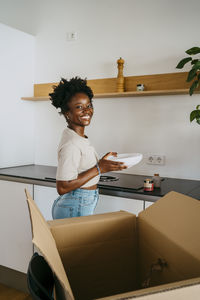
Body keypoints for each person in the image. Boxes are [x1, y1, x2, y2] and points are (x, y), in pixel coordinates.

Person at [50, 77, 127, 219]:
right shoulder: (71, 143)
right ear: (67, 113)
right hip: (75, 204)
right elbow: (62, 187)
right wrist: (99, 168)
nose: (87, 111)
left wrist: (102, 163)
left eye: (89, 105)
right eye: (79, 107)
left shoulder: (77, 137)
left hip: (79, 202)